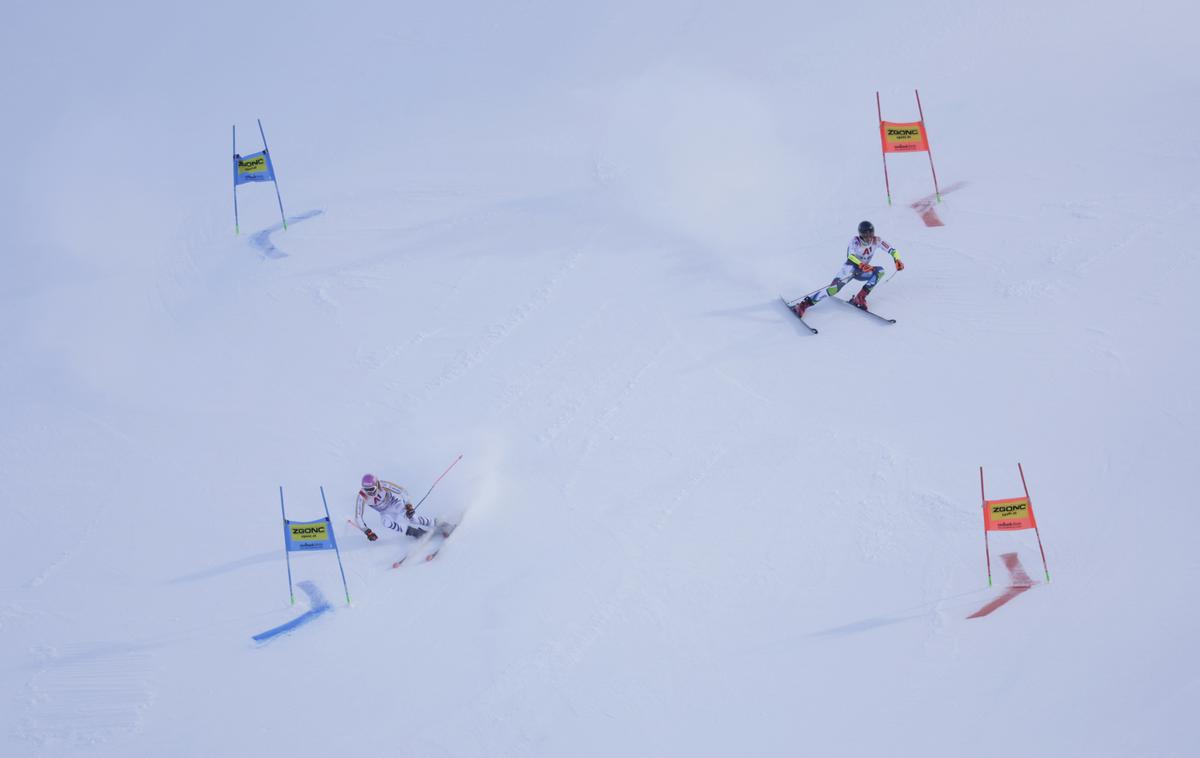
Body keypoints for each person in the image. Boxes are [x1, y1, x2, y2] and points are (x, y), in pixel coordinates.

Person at [792, 221, 905, 316]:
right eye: (866, 235)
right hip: (850, 269)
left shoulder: (877, 240)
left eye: (871, 233)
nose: (869, 237)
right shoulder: (855, 241)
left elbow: (892, 250)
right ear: (861, 234)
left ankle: (860, 298)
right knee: (833, 290)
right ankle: (803, 305)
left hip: (862, 271)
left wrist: (897, 260)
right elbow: (850, 256)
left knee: (880, 271)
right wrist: (861, 264)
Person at [353, 473, 452, 541]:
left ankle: (441, 524)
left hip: (394, 504)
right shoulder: (362, 496)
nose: (369, 492)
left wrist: (408, 506)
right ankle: (415, 533)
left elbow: (402, 491)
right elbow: (358, 516)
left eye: (371, 489)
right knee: (385, 522)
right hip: (384, 512)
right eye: (367, 490)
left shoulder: (383, 485)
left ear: (376, 484)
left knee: (413, 518)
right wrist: (367, 531)